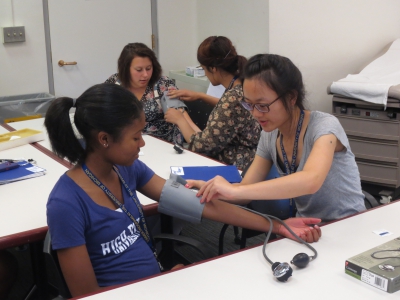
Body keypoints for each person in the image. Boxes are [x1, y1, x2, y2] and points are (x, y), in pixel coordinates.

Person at [44, 83, 321, 297]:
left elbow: (201, 204)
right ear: (104, 139)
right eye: (136, 137)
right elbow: (87, 297)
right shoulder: (66, 203)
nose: (142, 144)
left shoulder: (127, 170)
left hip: (159, 287)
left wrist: (277, 224)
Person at [193, 54, 366, 222]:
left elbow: (311, 180)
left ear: (291, 97)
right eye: (249, 104)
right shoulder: (269, 135)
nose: (255, 113)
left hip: (348, 224)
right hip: (309, 226)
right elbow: (244, 191)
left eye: (262, 105)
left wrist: (236, 191)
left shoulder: (325, 127)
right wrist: (207, 189)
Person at [165, 36, 261, 170]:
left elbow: (201, 147)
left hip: (235, 167)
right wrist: (200, 96)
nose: (205, 73)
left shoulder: (232, 98)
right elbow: (232, 111)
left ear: (213, 68)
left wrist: (180, 120)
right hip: (248, 160)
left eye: (204, 69)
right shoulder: (241, 85)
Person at [105, 42, 200, 145]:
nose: (145, 75)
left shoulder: (163, 85)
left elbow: (185, 120)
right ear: (126, 69)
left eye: (149, 68)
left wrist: (201, 141)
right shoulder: (114, 83)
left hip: (162, 145)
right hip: (124, 145)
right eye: (139, 70)